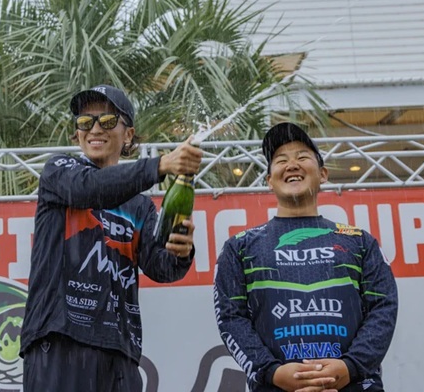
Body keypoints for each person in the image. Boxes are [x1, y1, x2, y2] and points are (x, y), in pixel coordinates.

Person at [20, 84, 203, 391]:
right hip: (60, 339)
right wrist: (160, 165)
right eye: (85, 122)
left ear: (128, 135)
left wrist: (181, 253)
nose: (95, 129)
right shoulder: (59, 171)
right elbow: (90, 188)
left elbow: (160, 268)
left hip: (120, 349)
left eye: (107, 121)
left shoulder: (141, 206)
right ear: (77, 134)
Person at [213, 122, 398, 392]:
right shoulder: (239, 247)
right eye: (281, 160)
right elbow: (231, 318)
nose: (292, 165)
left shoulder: (360, 241)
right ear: (269, 180)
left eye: (302, 157)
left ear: (323, 174)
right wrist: (272, 372)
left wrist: (350, 367)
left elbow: (383, 307)